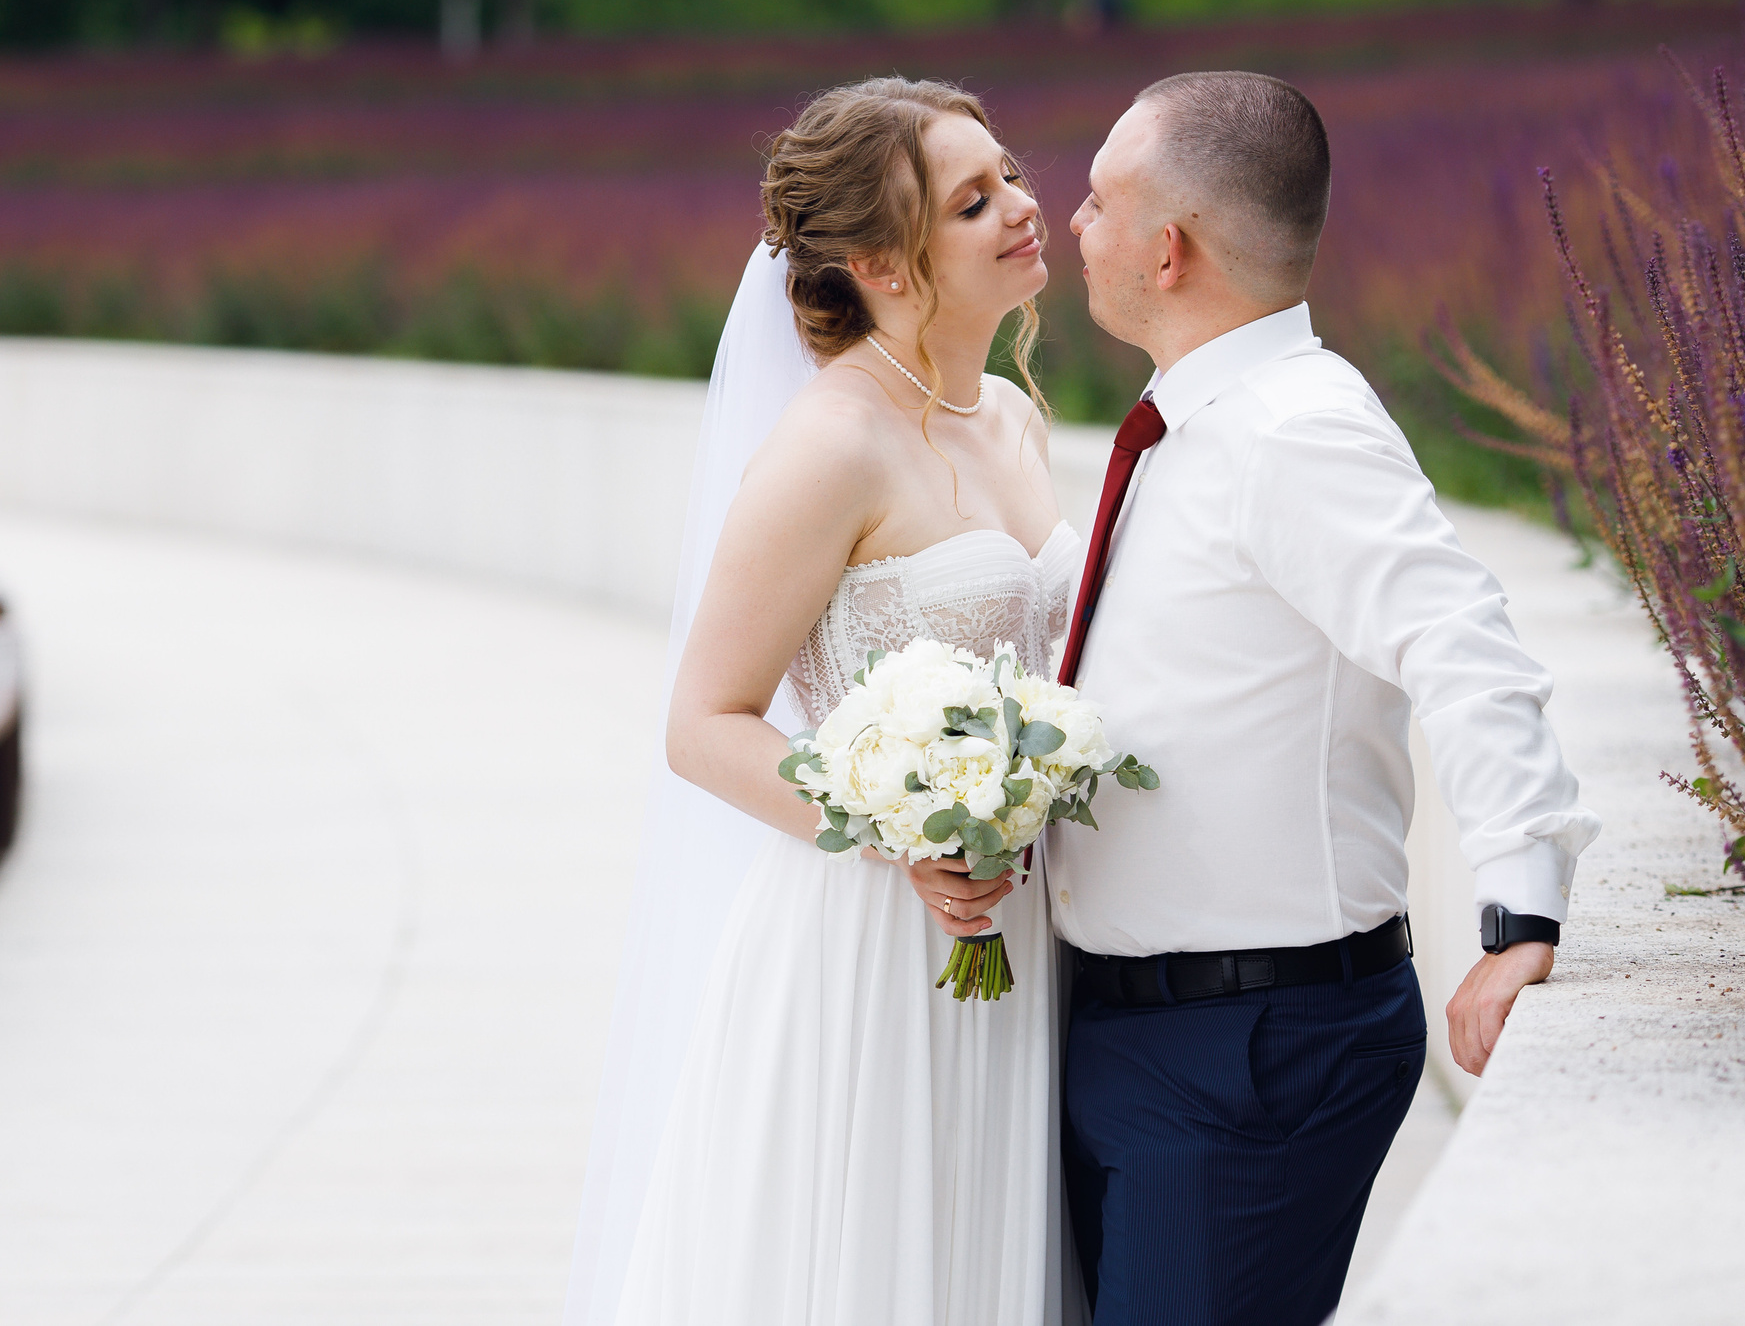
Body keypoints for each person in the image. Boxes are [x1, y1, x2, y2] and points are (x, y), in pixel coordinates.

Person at [1050, 71, 1603, 1324]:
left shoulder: (1295, 430)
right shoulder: (1192, 425)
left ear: (1169, 248)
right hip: (1133, 1034)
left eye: (1095, 201)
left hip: (1251, 1050)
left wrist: (1521, 908)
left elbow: (1458, 635)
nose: (1070, 224)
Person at [565, 78, 1086, 1326]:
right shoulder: (828, 448)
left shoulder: (1006, 417)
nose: (1023, 207)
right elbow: (704, 724)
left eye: (1009, 174)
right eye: (974, 202)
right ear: (880, 266)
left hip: (1017, 919)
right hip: (869, 935)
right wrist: (899, 832)